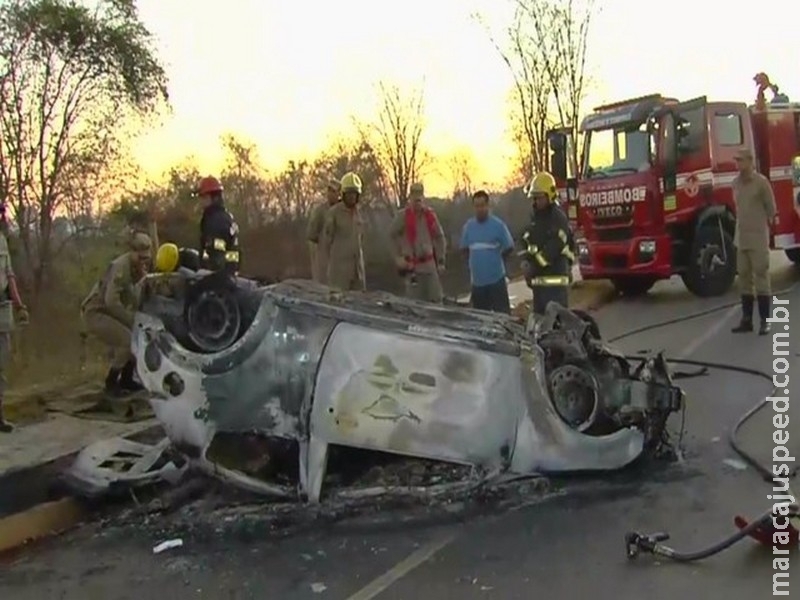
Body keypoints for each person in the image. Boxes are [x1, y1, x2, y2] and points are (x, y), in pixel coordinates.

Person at [81, 232, 152, 396]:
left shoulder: (137, 269)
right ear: (132, 252)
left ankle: (127, 379)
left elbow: (133, 297)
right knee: (126, 342)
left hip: (109, 311)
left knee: (137, 340)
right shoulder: (121, 267)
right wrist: (131, 321)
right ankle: (111, 383)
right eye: (140, 257)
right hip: (96, 312)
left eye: (145, 258)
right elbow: (110, 301)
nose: (144, 261)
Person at [730, 148, 777, 335]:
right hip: (741, 238)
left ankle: (765, 321)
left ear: (750, 161)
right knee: (744, 278)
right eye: (737, 160)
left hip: (757, 237)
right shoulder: (735, 183)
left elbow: (771, 209)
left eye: (741, 160)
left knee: (761, 277)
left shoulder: (761, 183)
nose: (738, 164)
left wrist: (769, 229)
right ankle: (747, 320)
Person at [520, 171, 575, 315]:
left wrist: (533, 267)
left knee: (558, 326)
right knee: (541, 328)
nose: (535, 201)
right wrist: (525, 261)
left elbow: (553, 249)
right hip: (538, 289)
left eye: (539, 197)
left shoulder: (558, 219)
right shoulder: (535, 220)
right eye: (534, 198)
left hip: (556, 287)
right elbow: (528, 244)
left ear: (549, 196)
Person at [390, 182, 446, 303]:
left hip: (430, 266)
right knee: (414, 304)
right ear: (410, 198)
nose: (417, 201)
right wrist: (398, 258)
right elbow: (391, 236)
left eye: (419, 197)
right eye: (414, 197)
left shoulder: (430, 215)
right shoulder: (402, 216)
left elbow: (440, 237)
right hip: (412, 268)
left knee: (436, 300)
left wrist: (441, 260)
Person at [460, 190, 514, 313]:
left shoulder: (498, 225)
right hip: (478, 284)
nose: (480, 209)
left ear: (488, 206)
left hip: (496, 281)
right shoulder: (468, 227)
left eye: (482, 206)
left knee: (503, 316)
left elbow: (509, 247)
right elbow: (463, 250)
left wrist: (497, 262)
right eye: (477, 206)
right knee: (481, 318)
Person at [0, 202, 29, 432]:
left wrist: (20, 305)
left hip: (2, 309)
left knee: (1, 366)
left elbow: (9, 275)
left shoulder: (1, 240)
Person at [321, 172, 366, 291]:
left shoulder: (360, 213)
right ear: (343, 194)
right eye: (349, 193)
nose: (352, 197)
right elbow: (326, 241)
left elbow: (362, 238)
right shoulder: (334, 213)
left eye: (354, 194)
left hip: (357, 270)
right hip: (339, 270)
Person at [196, 175, 240, 274]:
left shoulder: (215, 220)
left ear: (214, 198)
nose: (201, 201)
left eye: (204, 197)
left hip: (218, 278)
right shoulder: (225, 217)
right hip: (229, 274)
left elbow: (216, 250)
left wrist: (210, 270)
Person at [307, 179, 341, 283]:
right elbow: (311, 235)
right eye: (329, 191)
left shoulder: (344, 210)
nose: (330, 194)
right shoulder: (320, 211)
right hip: (325, 255)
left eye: (334, 191)